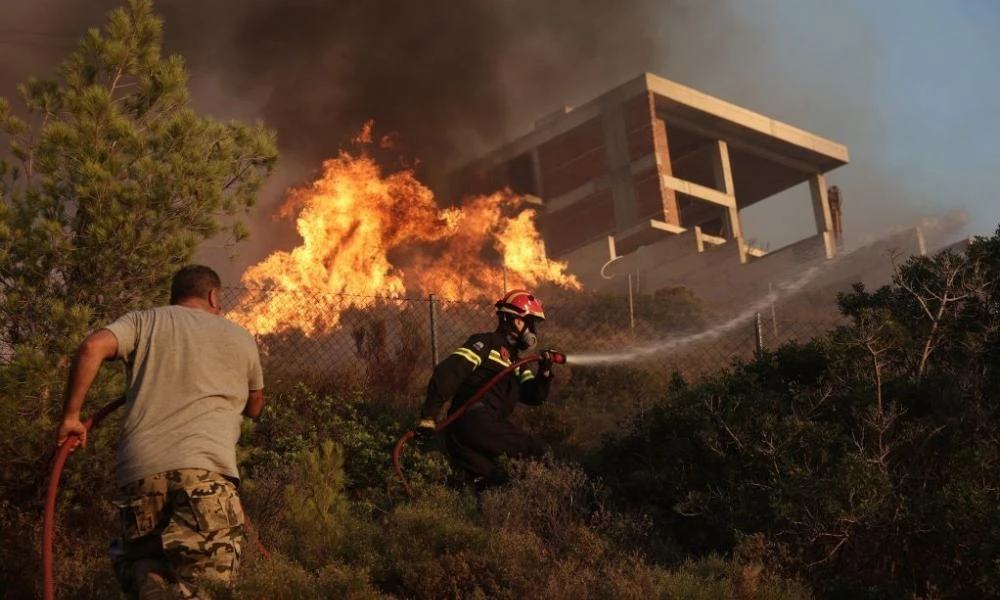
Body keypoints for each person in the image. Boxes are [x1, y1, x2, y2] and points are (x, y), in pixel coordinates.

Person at [56, 264, 265, 599]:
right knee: (207, 587)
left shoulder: (145, 320)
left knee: (145, 570)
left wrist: (71, 417)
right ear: (213, 296)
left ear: (174, 296)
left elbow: (92, 347)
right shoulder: (240, 336)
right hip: (205, 474)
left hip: (141, 475)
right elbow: (254, 406)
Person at [417, 289, 560, 492]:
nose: (531, 330)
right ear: (510, 320)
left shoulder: (517, 363)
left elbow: (533, 396)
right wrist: (428, 416)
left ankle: (476, 519)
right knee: (538, 452)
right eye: (526, 322)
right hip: (474, 420)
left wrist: (545, 373)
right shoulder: (486, 344)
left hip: (469, 432)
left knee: (493, 483)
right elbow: (448, 373)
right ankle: (563, 500)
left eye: (532, 324)